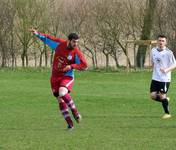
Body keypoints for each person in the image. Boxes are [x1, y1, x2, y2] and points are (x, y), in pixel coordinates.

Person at [30, 29, 88, 129]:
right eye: (74, 42)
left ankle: (75, 112)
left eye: (77, 42)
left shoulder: (76, 52)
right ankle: (70, 125)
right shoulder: (59, 44)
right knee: (59, 99)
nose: (75, 44)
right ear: (69, 40)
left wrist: (71, 66)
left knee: (62, 92)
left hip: (67, 76)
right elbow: (47, 39)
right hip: (55, 76)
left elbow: (84, 65)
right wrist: (37, 34)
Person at [150, 34, 176, 119]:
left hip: (164, 79)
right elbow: (153, 62)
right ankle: (165, 100)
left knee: (162, 95)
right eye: (159, 40)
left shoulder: (169, 53)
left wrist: (166, 70)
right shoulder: (153, 50)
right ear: (157, 41)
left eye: (163, 41)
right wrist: (152, 66)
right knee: (153, 96)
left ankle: (167, 113)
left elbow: (174, 64)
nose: (161, 42)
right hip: (155, 77)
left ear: (166, 42)